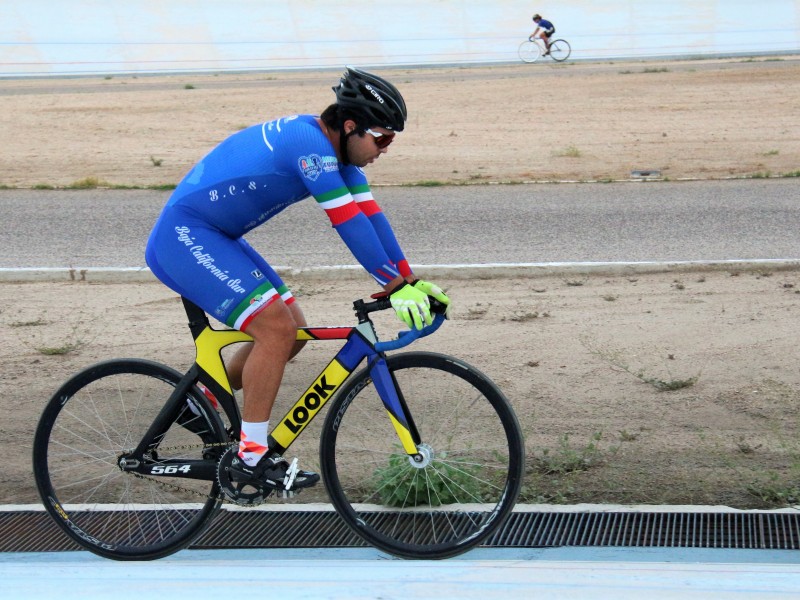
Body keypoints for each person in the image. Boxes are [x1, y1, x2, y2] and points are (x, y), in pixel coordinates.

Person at [145, 67, 451, 493]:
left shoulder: (337, 154)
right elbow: (345, 222)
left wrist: (407, 279)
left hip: (214, 236)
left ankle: (204, 403)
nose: (385, 148)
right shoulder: (309, 145)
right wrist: (396, 287)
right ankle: (252, 455)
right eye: (381, 138)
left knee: (294, 331)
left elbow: (371, 218)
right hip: (184, 238)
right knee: (275, 326)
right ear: (350, 126)